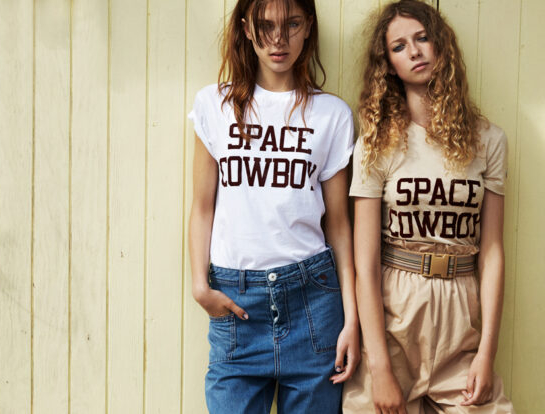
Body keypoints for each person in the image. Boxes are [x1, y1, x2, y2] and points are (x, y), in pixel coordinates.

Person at [342, 1, 515, 413]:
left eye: (422, 38)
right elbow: (365, 264)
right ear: (388, 65)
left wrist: (487, 353)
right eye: (399, 46)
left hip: (460, 315)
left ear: (441, 45)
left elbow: (491, 252)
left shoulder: (488, 141)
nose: (415, 51)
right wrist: (379, 367)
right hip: (394, 315)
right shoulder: (375, 145)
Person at [187, 0, 360, 412]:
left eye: (292, 24)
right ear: (247, 28)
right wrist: (199, 286)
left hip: (313, 302)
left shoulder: (332, 114)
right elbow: (202, 206)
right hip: (236, 305)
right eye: (265, 25)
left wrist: (352, 319)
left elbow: (339, 225)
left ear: (308, 26)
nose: (278, 39)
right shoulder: (215, 105)